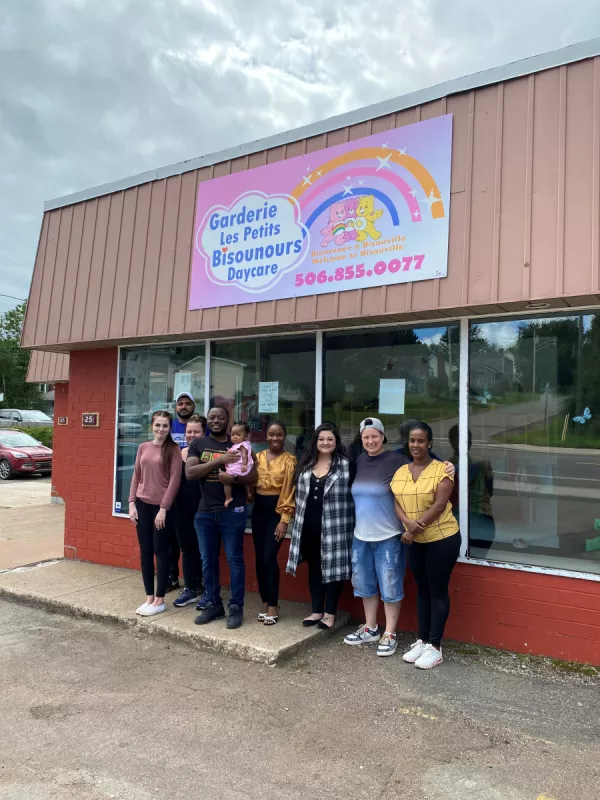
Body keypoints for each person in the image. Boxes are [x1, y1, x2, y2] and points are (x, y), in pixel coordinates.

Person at [344, 418, 454, 657]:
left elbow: (422, 460)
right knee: (364, 584)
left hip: (389, 534)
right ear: (361, 440)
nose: (371, 441)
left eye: (375, 436)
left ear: (383, 437)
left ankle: (390, 633)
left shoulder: (397, 460)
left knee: (390, 584)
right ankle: (371, 627)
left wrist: (448, 466)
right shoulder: (360, 460)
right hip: (361, 534)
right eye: (366, 437)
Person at [391, 421, 461, 670]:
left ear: (429, 443)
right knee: (422, 589)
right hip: (416, 540)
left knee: (438, 591)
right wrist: (407, 523)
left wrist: (412, 528)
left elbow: (440, 505)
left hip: (442, 539)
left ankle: (435, 646)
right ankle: (422, 639)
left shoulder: (442, 469)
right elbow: (396, 501)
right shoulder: (401, 471)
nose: (416, 445)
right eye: (412, 440)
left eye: (421, 441)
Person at [186, 406, 257, 629]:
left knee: (234, 559)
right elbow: (190, 473)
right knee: (208, 561)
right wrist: (220, 461)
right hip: (205, 512)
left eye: (221, 417)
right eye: (213, 417)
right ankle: (214, 604)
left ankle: (236, 607)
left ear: (228, 420)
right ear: (208, 420)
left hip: (233, 511)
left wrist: (234, 479)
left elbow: (253, 475)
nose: (216, 421)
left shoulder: (238, 442)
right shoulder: (199, 444)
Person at [286, 423, 355, 630]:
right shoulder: (306, 464)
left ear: (336, 442)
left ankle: (330, 612)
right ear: (315, 442)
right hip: (308, 528)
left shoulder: (346, 465)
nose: (325, 443)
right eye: (321, 439)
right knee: (315, 568)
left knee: (333, 570)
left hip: (336, 529)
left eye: (330, 439)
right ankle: (317, 610)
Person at [128, 410, 181, 616]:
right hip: (142, 505)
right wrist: (132, 503)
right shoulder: (143, 447)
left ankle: (160, 599)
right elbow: (136, 476)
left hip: (162, 509)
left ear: (170, 428)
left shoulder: (173, 450)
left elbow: (175, 482)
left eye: (165, 426)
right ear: (152, 426)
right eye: (157, 425)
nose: (161, 429)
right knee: (145, 551)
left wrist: (163, 509)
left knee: (161, 551)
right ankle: (149, 597)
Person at [252, 421, 297, 626]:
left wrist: (284, 520)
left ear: (285, 436)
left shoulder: (289, 461)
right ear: (266, 436)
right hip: (258, 511)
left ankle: (273, 604)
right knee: (260, 558)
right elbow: (250, 482)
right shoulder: (257, 457)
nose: (275, 439)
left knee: (270, 557)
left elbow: (289, 491)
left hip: (276, 511)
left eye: (279, 435)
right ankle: (264, 600)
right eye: (271, 435)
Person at [166, 394, 203, 592]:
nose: (183, 406)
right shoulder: (169, 426)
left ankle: (198, 581)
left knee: (194, 542)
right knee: (172, 539)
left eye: (188, 403)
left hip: (196, 494)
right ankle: (172, 576)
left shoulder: (201, 436)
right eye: (180, 403)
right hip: (174, 490)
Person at [172, 414, 206, 608]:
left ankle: (207, 588)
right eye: (189, 432)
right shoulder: (178, 453)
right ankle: (191, 588)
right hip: (182, 510)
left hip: (205, 510)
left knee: (206, 551)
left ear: (204, 432)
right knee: (187, 550)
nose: (192, 435)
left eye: (196, 431)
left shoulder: (210, 453)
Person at [447, 424, 495, 555]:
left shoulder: (445, 466)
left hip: (475, 521)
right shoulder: (482, 465)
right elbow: (490, 492)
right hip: (477, 521)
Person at [223, 422, 253, 508]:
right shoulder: (237, 445)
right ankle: (249, 492)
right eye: (232, 435)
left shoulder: (242, 445)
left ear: (245, 435)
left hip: (239, 467)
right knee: (245, 482)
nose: (234, 436)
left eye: (238, 434)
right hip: (239, 466)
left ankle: (228, 497)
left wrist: (244, 465)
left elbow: (244, 454)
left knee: (226, 481)